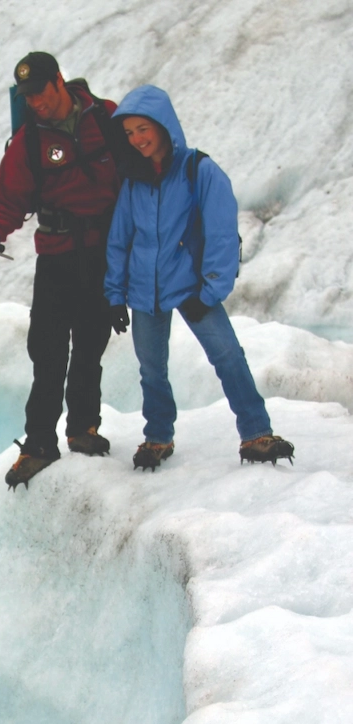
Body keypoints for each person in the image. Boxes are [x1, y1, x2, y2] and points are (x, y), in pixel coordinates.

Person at [103, 84, 294, 470]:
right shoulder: (134, 180)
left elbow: (222, 235)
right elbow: (120, 239)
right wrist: (114, 295)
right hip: (145, 292)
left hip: (192, 288)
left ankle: (257, 433)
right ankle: (158, 437)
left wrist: (209, 292)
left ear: (162, 125)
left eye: (143, 129)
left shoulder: (199, 170)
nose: (137, 140)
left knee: (228, 358)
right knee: (151, 369)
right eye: (129, 133)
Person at [0, 52, 122, 489]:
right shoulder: (28, 142)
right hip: (56, 256)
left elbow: (137, 174)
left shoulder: (106, 118)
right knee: (47, 352)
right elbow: (7, 202)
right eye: (27, 97)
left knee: (91, 343)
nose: (35, 104)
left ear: (59, 82)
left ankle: (83, 429)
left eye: (40, 94)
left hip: (102, 254)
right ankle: (38, 445)